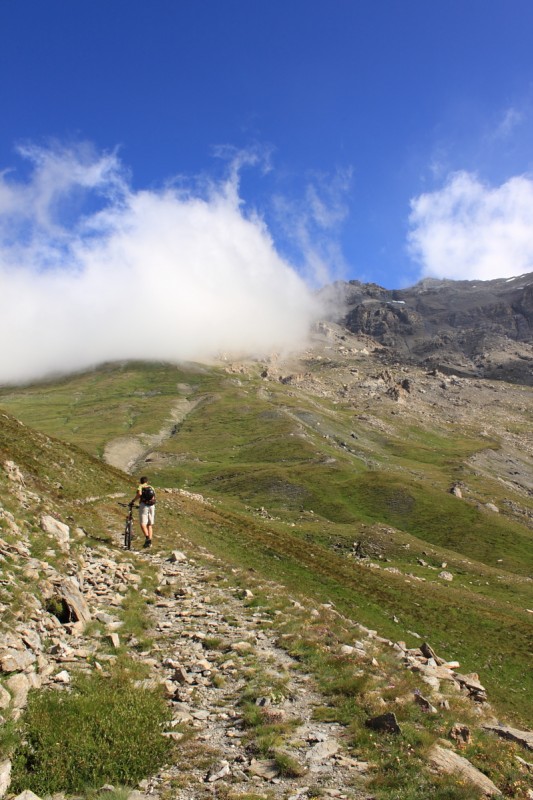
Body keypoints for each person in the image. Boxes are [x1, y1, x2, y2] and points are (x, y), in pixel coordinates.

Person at [129, 476, 156, 548]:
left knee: (143, 524)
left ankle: (147, 539)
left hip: (144, 505)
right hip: (152, 506)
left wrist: (133, 500)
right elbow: (154, 496)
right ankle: (150, 542)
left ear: (141, 481)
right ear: (147, 481)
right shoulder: (151, 487)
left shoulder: (140, 486)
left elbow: (139, 494)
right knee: (149, 524)